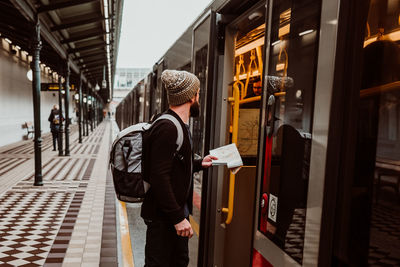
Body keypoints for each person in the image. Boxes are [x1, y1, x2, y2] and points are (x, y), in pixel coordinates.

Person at [141, 70, 217, 267]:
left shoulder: (176, 124)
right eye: (198, 93)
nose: (199, 97)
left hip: (171, 216)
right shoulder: (168, 127)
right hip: (164, 219)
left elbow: (171, 166)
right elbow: (159, 176)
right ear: (191, 97)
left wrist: (199, 163)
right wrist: (178, 219)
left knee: (179, 261)